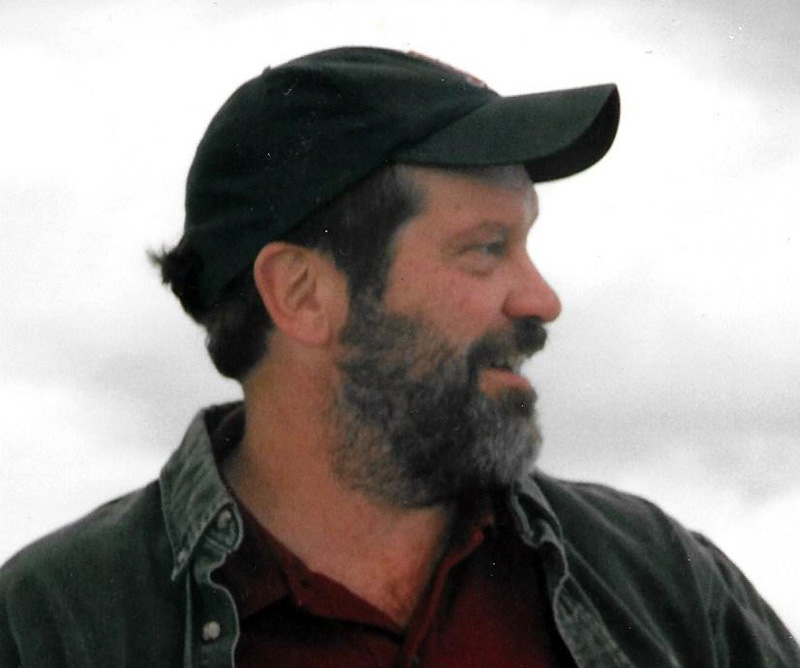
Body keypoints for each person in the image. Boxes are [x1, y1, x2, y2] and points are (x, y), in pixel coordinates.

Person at [1, 46, 797, 668]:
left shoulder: (660, 580)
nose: (542, 298)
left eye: (525, 243)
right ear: (302, 294)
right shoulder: (51, 628)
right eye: (486, 249)